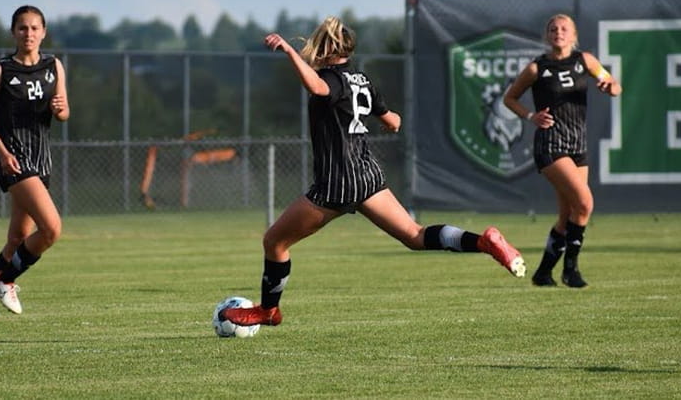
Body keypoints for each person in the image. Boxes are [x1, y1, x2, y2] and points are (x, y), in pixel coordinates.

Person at [222, 17, 526, 328]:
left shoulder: (331, 79)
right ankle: (484, 242)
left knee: (275, 242)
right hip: (367, 177)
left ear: (326, 49)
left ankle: (268, 311)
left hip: (336, 183)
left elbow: (317, 87)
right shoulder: (361, 79)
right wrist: (383, 118)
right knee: (415, 235)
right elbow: (394, 122)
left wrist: (288, 51)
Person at [503, 13, 621, 288]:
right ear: (547, 35)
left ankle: (543, 273)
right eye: (553, 29)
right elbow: (509, 98)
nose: (558, 32)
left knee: (568, 216)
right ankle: (571, 270)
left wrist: (610, 86)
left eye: (564, 28)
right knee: (585, 203)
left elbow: (614, 85)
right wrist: (531, 117)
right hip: (551, 145)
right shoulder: (537, 68)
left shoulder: (585, 61)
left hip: (577, 145)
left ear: (573, 35)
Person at [0, 5, 70, 320]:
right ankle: (6, 278)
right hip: (14, 160)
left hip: (42, 160)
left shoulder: (54, 66)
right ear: (14, 32)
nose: (29, 34)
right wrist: (2, 153)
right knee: (51, 229)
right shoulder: (2, 70)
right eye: (22, 28)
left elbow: (64, 112)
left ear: (44, 32)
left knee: (16, 239)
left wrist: (61, 109)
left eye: (34, 28)